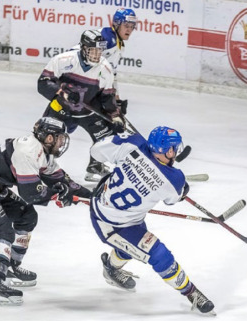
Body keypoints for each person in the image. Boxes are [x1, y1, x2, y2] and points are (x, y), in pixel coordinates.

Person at [0, 117, 92, 305]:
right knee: (3, 231)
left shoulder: (42, 152)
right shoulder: (28, 151)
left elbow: (64, 182)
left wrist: (94, 197)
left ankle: (10, 266)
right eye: (60, 138)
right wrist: (59, 194)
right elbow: (31, 193)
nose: (62, 143)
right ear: (49, 138)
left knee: (26, 216)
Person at [88, 126, 215, 314]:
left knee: (131, 248)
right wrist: (183, 189)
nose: (176, 151)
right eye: (175, 148)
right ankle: (191, 292)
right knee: (160, 255)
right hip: (112, 225)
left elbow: (96, 151)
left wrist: (124, 142)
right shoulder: (175, 179)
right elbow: (172, 199)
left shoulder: (134, 143)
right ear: (169, 151)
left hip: (106, 202)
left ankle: (111, 268)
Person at [37, 29, 125, 182]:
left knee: (106, 136)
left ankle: (95, 166)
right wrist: (63, 92)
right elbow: (43, 83)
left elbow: (107, 97)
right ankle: (39, 167)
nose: (97, 55)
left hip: (87, 112)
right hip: (61, 109)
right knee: (46, 137)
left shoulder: (105, 69)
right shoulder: (64, 60)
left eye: (100, 51)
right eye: (93, 50)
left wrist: (115, 116)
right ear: (84, 48)